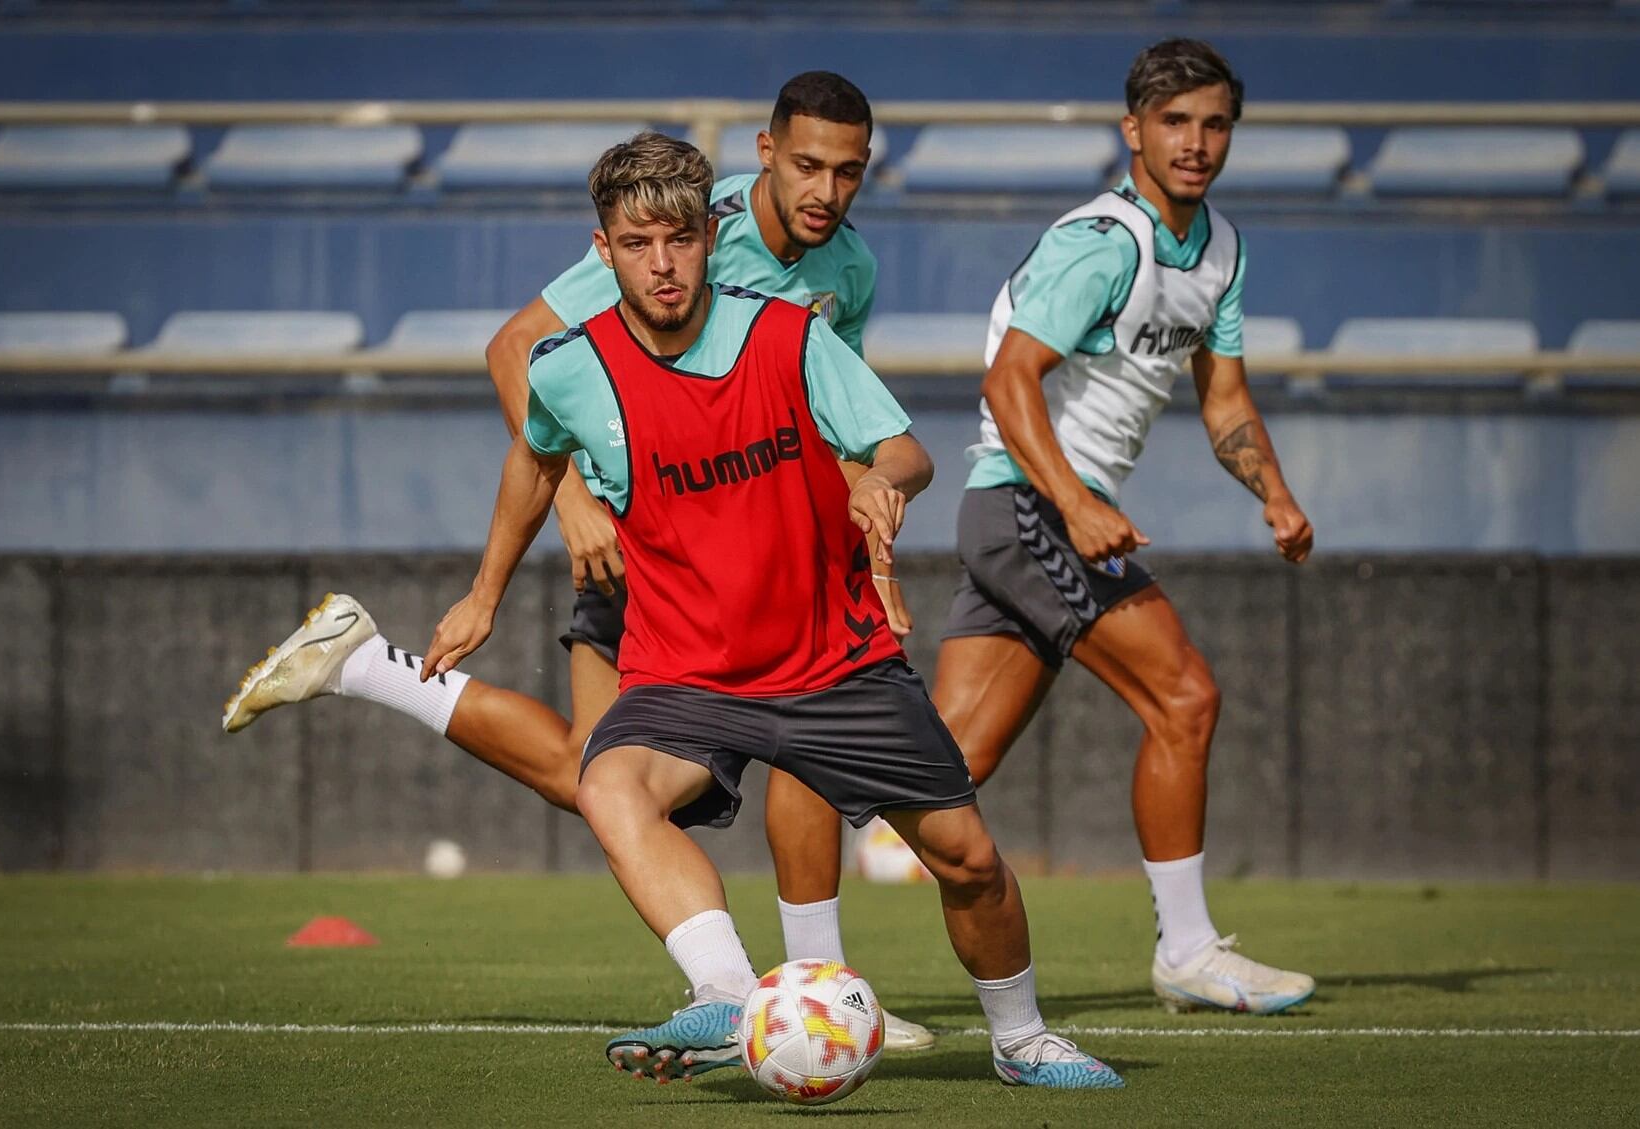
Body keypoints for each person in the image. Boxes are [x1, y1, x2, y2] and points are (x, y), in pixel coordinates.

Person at [220, 72, 931, 1050]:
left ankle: (814, 989)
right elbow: (519, 349)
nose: (825, 190)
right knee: (600, 776)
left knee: (657, 771)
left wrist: (863, 553)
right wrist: (572, 499)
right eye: (808, 164)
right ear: (763, 154)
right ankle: (790, 990)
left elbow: (835, 421)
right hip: (650, 557)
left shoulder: (844, 269)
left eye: (847, 172)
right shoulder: (673, 226)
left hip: (762, 559)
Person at [421, 130, 1122, 1090]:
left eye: (678, 238)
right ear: (604, 249)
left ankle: (1023, 1036)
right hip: (689, 669)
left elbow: (904, 447)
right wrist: (483, 593)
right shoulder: (570, 366)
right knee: (608, 781)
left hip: (836, 661)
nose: (661, 264)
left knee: (969, 861)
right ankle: (724, 993)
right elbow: (536, 460)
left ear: (710, 235)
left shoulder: (788, 334)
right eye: (636, 244)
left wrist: (881, 481)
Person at [930, 38, 1317, 1015]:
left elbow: (1222, 396)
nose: (1194, 142)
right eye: (1174, 121)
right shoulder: (1100, 242)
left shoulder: (1220, 249)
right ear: (1132, 130)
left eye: (1213, 122)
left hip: (1031, 514)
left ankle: (811, 856)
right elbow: (1007, 377)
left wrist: (1269, 491)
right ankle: (1185, 949)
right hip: (1029, 507)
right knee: (1183, 697)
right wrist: (1071, 499)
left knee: (940, 766)